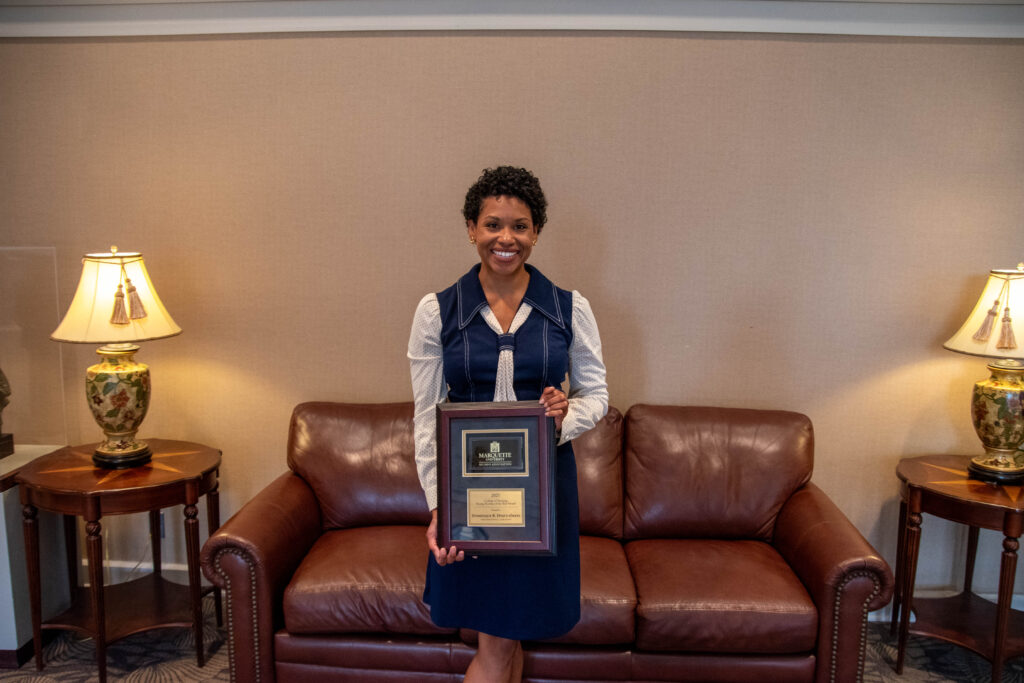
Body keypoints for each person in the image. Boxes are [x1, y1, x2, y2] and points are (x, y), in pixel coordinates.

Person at [408, 166, 608, 682]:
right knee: (497, 645)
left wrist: (564, 415)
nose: (506, 238)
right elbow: (426, 419)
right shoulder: (436, 312)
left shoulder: (570, 308)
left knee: (509, 636)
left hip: (542, 494)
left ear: (536, 233)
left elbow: (598, 395)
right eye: (493, 224)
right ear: (471, 228)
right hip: (467, 491)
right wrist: (438, 507)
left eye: (520, 226)